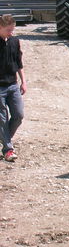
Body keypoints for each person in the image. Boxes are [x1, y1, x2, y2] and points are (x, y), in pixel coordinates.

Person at [0, 14, 26, 162]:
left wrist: (24, 81)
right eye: (8, 30)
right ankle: (8, 149)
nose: (11, 33)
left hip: (12, 85)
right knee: (2, 119)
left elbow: (19, 63)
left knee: (19, 115)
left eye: (12, 30)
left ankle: (4, 138)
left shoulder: (14, 41)